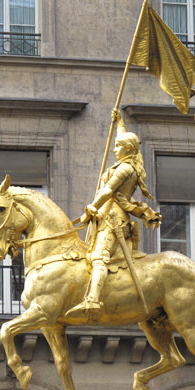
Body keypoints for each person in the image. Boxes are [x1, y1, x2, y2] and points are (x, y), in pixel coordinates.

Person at [66, 109, 161, 319]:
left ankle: (92, 299)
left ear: (128, 150)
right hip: (105, 214)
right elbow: (122, 139)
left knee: (99, 257)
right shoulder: (127, 161)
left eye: (119, 146)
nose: (115, 148)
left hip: (114, 218)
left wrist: (92, 206)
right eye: (116, 144)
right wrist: (120, 123)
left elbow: (108, 190)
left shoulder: (126, 169)